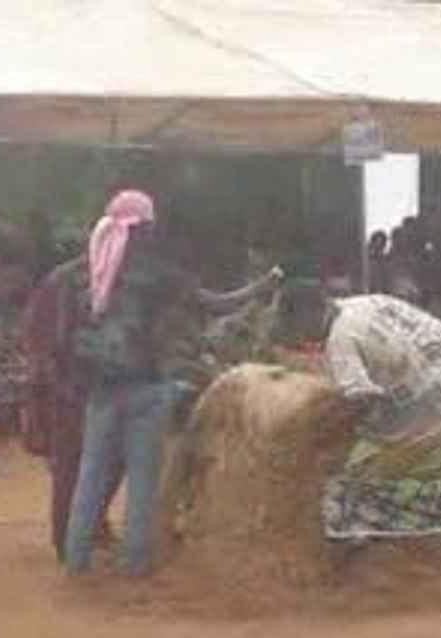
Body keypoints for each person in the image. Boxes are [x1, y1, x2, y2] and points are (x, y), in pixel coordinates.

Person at [64, 189, 282, 576]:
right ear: (147, 226)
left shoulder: (86, 271)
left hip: (100, 388)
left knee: (91, 475)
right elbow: (214, 304)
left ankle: (76, 560)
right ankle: (134, 565)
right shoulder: (158, 272)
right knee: (143, 482)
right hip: (147, 386)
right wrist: (263, 287)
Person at [275, 283, 441, 546]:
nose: (299, 336)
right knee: (437, 464)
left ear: (307, 315)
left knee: (353, 479)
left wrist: (326, 437)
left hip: (438, 392)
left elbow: (362, 400)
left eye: (295, 328)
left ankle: (360, 538)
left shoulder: (340, 342)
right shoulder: (359, 306)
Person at [22, 254, 123, 562]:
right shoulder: (65, 280)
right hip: (69, 387)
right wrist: (48, 380)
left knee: (112, 461)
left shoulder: (125, 277)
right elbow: (39, 336)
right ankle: (67, 540)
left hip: (103, 385)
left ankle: (90, 525)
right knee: (71, 464)